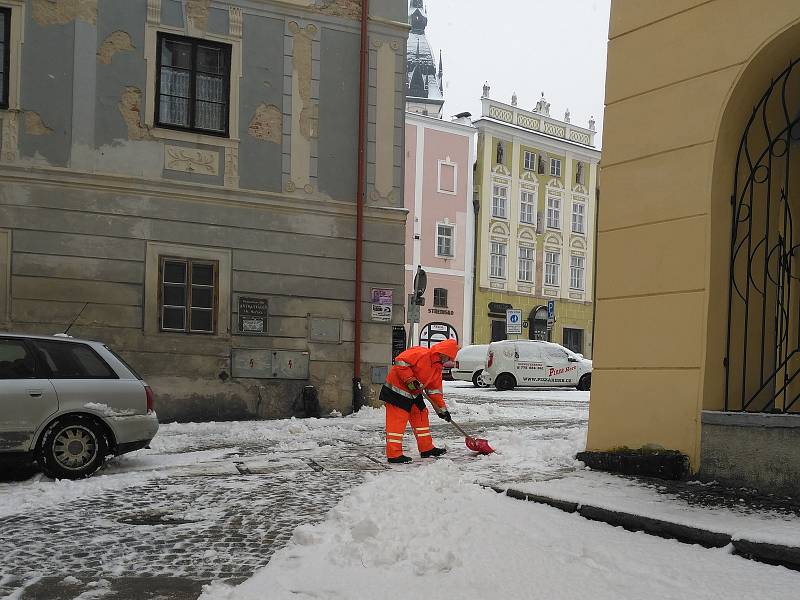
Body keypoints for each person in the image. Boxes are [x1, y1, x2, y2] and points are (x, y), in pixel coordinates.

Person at [379, 339, 459, 464]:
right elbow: (400, 361)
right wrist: (409, 379)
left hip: (414, 393)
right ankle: (394, 455)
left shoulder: (436, 368)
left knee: (421, 416)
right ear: (442, 352)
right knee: (397, 422)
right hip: (396, 391)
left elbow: (434, 391)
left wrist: (442, 410)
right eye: (448, 357)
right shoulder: (421, 354)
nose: (448, 360)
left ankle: (426, 449)